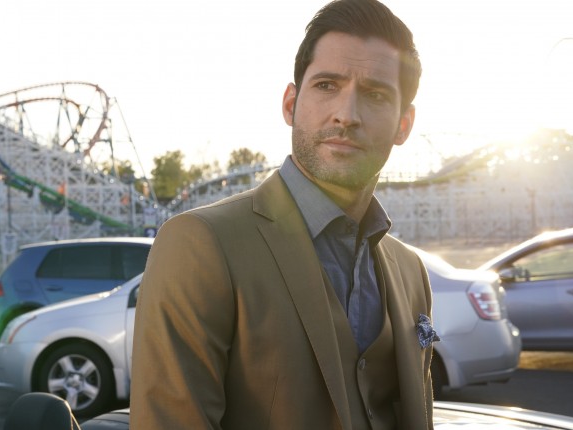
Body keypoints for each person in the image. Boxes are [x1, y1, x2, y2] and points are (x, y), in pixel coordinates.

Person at [130, 0, 437, 428]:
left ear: (404, 124)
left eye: (375, 95)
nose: (346, 115)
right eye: (327, 85)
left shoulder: (410, 271)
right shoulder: (200, 244)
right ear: (291, 104)